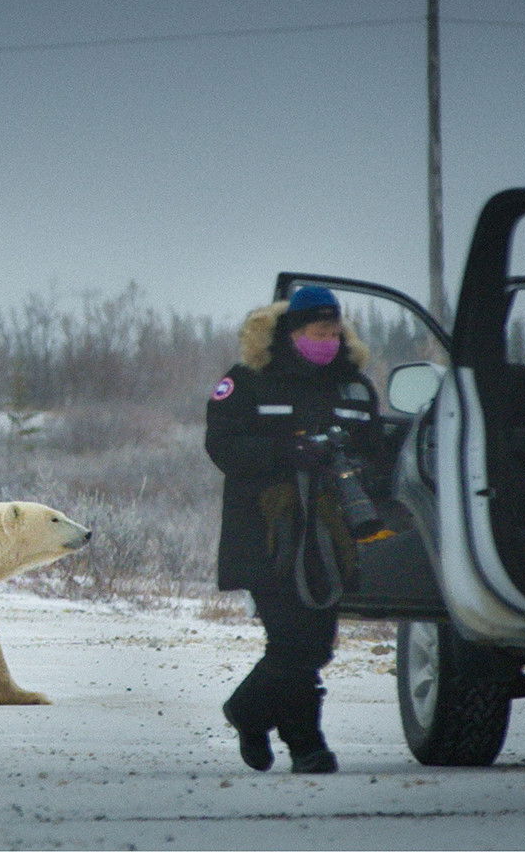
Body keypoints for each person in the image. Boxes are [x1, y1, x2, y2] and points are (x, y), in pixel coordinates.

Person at [205, 285, 383, 775]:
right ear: (292, 332)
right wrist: (285, 453)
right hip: (266, 534)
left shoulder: (354, 387)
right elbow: (221, 445)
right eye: (316, 331)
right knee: (292, 642)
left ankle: (248, 712)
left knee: (315, 645)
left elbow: (376, 451)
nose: (326, 339)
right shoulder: (248, 380)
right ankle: (307, 746)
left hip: (328, 538)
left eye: (333, 330)